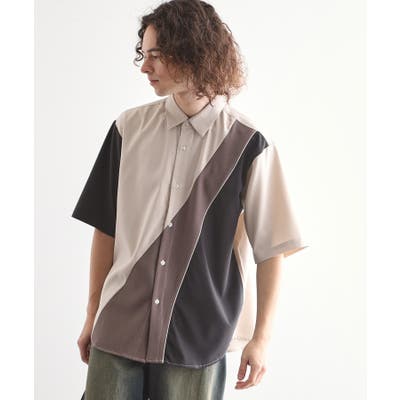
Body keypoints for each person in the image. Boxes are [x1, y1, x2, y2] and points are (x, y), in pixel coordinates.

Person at [72, 1, 309, 399]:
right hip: (119, 328)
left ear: (193, 52)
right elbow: (105, 229)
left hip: (198, 337)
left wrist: (261, 340)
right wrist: (92, 315)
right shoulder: (128, 129)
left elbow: (273, 250)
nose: (145, 67)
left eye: (156, 56)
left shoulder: (248, 143)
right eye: (143, 55)